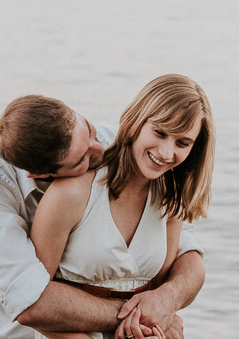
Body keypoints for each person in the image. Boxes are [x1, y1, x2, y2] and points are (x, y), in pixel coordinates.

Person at [0, 91, 206, 339]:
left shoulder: (113, 144)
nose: (100, 151)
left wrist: (167, 301)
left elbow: (184, 251)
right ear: (43, 176)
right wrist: (142, 316)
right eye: (83, 159)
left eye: (89, 130)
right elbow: (30, 300)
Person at [28, 75, 215, 339]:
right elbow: (32, 301)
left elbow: (158, 291)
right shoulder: (73, 191)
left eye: (182, 143)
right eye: (159, 132)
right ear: (137, 120)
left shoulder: (170, 201)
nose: (165, 152)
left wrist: (164, 322)